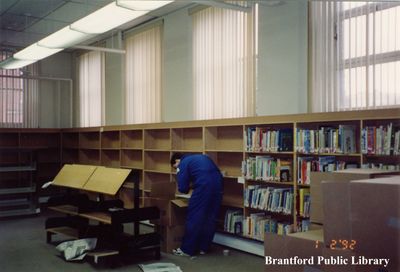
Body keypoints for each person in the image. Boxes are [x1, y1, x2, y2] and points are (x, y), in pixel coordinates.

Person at [170, 153, 223, 257]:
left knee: (194, 217)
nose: (176, 169)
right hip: (218, 185)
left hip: (203, 187)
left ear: (177, 161)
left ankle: (187, 250)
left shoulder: (183, 163)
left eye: (174, 167)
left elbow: (183, 188)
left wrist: (189, 186)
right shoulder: (202, 157)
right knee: (210, 217)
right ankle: (204, 248)